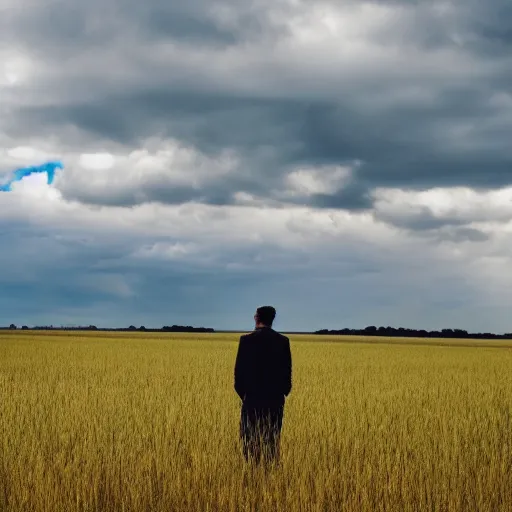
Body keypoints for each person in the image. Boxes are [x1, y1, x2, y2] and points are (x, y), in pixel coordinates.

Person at [234, 306, 292, 465]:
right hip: (275, 401)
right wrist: (282, 394)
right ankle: (270, 475)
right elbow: (287, 374)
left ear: (257, 318)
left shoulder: (246, 340)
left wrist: (245, 396)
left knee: (250, 440)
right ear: (272, 319)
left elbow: (238, 375)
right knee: (271, 441)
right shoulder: (283, 341)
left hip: (252, 399)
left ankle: (252, 473)